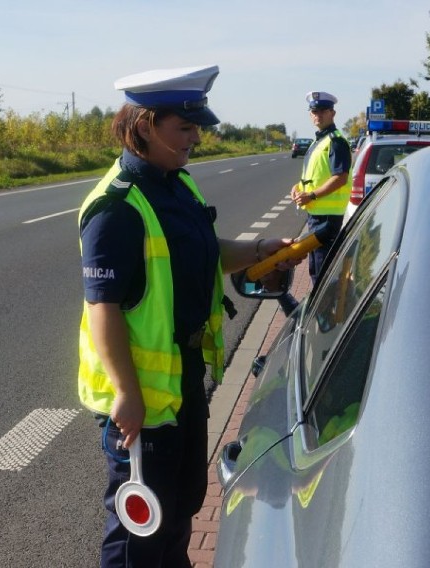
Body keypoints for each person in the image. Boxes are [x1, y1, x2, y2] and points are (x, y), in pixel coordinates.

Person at [77, 64, 294, 568]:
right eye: (185, 128)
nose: (196, 137)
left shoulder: (178, 185)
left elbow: (206, 251)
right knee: (139, 533)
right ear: (146, 124)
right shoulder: (116, 209)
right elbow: (101, 307)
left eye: (198, 127)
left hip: (183, 383)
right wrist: (127, 392)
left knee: (181, 507)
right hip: (143, 404)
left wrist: (262, 248)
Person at [290, 91, 353, 283]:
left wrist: (312, 196)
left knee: (322, 274)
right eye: (314, 111)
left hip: (327, 219)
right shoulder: (318, 141)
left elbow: (340, 178)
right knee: (316, 269)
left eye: (323, 111)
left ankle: (325, 312)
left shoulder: (335, 142)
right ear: (310, 115)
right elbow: (315, 176)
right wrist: (297, 187)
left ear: (332, 113)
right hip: (317, 215)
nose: (318, 115)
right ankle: (324, 310)